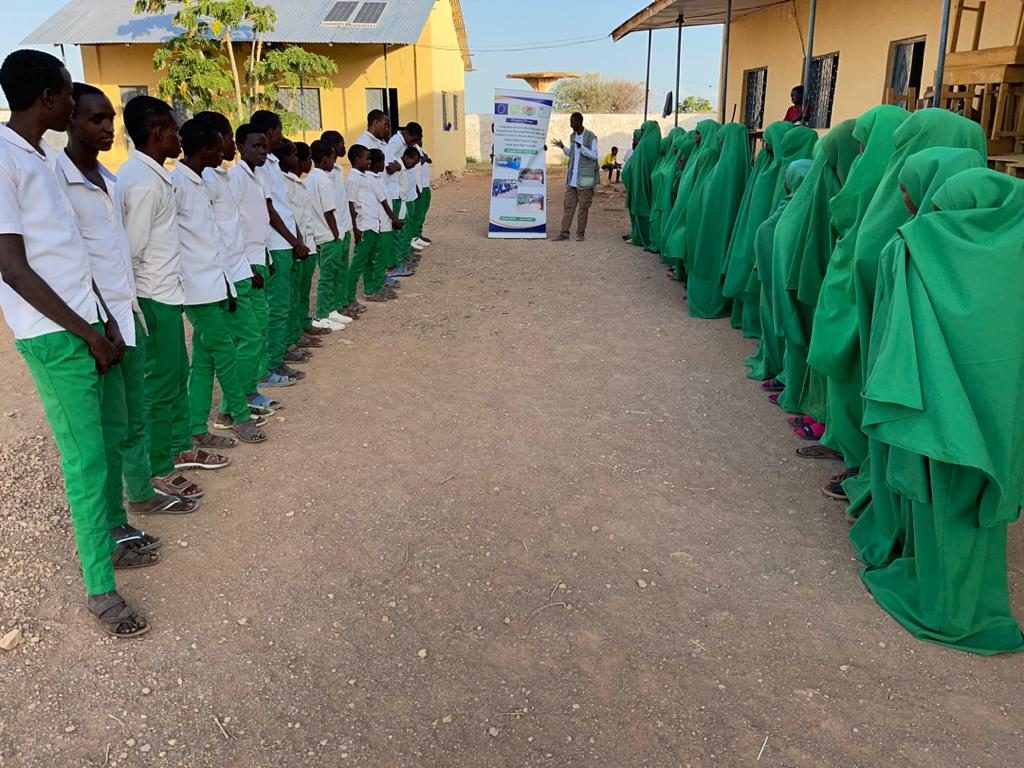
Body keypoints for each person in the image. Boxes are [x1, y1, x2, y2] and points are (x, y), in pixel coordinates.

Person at [0, 50, 148, 637]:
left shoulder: (43, 159)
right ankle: (100, 589)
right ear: (48, 99)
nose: (72, 102)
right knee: (85, 459)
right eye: (67, 93)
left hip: (88, 323)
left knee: (111, 436)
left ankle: (114, 531)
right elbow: (12, 266)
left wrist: (106, 318)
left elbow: (74, 254)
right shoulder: (4, 157)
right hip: (53, 336)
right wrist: (85, 331)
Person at [856, 167, 1024, 655]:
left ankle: (948, 611)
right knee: (982, 515)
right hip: (1002, 411)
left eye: (910, 192)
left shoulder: (918, 249)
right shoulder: (1011, 251)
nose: (910, 202)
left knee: (941, 508)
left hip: (940, 412)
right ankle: (979, 604)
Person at [59, 83, 197, 527]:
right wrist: (111, 318)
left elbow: (119, 251)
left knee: (138, 408)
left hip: (130, 312)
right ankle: (134, 494)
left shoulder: (115, 180)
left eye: (109, 120)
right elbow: (122, 254)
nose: (106, 129)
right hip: (114, 312)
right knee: (114, 425)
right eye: (95, 119)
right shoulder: (67, 181)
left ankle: (143, 487)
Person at [119, 95, 227, 502]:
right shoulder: (144, 183)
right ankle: (156, 469)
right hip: (151, 298)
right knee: (158, 387)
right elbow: (130, 252)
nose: (177, 134)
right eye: (170, 126)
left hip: (167, 293)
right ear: (155, 131)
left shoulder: (155, 177)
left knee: (174, 377)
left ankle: (178, 447)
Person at [171, 118, 267, 445]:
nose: (229, 145)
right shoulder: (179, 184)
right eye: (225, 138)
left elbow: (216, 233)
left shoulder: (201, 179)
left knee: (205, 360)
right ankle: (236, 415)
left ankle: (196, 427)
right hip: (198, 287)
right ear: (210, 145)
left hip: (218, 280)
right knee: (228, 350)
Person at [195, 111, 275, 418]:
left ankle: (245, 395)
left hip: (244, 265)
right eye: (229, 137)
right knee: (246, 339)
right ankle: (233, 406)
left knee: (250, 335)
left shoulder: (226, 176)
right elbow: (220, 233)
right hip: (229, 274)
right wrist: (243, 266)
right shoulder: (213, 179)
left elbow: (238, 226)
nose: (231, 143)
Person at [230, 124, 292, 390]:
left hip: (260, 254)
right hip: (246, 261)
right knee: (251, 331)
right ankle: (251, 384)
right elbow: (231, 224)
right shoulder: (236, 178)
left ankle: (258, 377)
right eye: (255, 146)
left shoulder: (259, 176)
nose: (262, 151)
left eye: (264, 146)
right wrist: (245, 264)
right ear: (239, 147)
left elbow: (263, 215)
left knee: (262, 322)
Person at [251, 110, 309, 382]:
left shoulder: (271, 163)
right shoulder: (259, 166)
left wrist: (297, 237)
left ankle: (280, 354)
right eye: (279, 130)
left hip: (286, 241)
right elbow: (269, 208)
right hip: (277, 243)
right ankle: (270, 365)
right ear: (269, 132)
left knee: (284, 304)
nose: (282, 135)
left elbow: (284, 207)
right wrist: (293, 240)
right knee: (275, 308)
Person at [282, 140, 325, 351]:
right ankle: (293, 334)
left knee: (304, 291)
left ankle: (303, 325)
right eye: (306, 158)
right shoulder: (285, 184)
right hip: (298, 247)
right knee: (293, 294)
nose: (309, 162)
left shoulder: (300, 183)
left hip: (309, 244)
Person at [307, 139, 350, 331]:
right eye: (333, 158)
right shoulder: (323, 181)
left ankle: (331, 309)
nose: (334, 162)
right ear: (325, 159)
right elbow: (329, 211)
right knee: (326, 277)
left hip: (321, 234)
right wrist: (336, 234)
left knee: (332, 274)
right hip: (328, 236)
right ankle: (322, 313)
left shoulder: (310, 179)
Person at [551, 112, 599, 242]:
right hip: (572, 180)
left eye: (573, 122)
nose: (571, 124)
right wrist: (562, 147)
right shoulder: (572, 136)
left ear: (579, 122)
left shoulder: (591, 136)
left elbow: (594, 156)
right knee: (568, 206)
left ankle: (580, 234)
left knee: (583, 208)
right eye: (570, 121)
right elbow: (572, 154)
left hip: (585, 180)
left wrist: (582, 147)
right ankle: (564, 233)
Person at [362, 147, 402, 301]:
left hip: (385, 224)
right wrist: (394, 218)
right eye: (382, 162)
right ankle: (373, 288)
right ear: (375, 163)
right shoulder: (371, 179)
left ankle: (377, 286)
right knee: (379, 259)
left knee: (382, 258)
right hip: (381, 224)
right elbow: (383, 202)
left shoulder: (377, 178)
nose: (384, 165)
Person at [392, 145, 422, 278]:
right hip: (396, 202)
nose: (413, 165)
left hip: (403, 201)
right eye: (412, 162)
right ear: (405, 157)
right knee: (398, 235)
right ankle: (397, 264)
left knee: (403, 232)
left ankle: (402, 258)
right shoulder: (396, 166)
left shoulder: (404, 167)